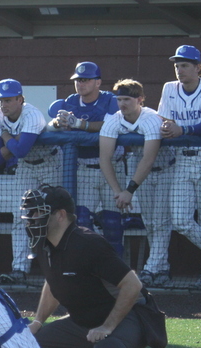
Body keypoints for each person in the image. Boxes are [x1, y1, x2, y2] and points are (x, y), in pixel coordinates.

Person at [23, 184, 157, 348]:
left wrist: (107, 327)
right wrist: (39, 320)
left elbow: (132, 285)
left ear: (60, 215)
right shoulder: (43, 242)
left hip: (131, 317)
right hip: (86, 320)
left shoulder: (88, 243)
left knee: (108, 347)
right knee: (34, 346)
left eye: (37, 212)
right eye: (29, 213)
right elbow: (53, 282)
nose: (31, 219)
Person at [99, 79, 175, 288]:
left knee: (160, 220)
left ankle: (152, 267)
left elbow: (149, 159)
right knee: (150, 221)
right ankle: (161, 268)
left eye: (127, 99)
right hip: (139, 172)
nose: (122, 104)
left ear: (140, 99)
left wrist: (129, 190)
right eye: (119, 99)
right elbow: (104, 158)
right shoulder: (114, 120)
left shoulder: (150, 119)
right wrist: (118, 191)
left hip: (166, 168)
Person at [0, 79, 61, 284]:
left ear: (20, 99)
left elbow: (20, 150)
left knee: (53, 217)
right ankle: (19, 269)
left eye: (8, 100)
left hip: (50, 163)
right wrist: (13, 137)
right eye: (1, 100)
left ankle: (58, 268)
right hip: (26, 167)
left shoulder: (32, 115)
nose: (4, 105)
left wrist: (6, 136)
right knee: (21, 216)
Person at [47, 61, 122, 251]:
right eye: (78, 80)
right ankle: (88, 271)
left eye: (86, 80)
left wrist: (80, 124)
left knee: (112, 225)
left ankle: (115, 275)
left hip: (111, 167)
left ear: (98, 82)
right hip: (83, 167)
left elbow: (111, 125)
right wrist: (58, 123)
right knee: (81, 223)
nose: (81, 84)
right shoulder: (71, 101)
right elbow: (50, 125)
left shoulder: (110, 99)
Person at [157, 45, 201, 290]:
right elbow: (164, 119)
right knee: (180, 220)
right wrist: (167, 127)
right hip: (182, 161)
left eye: (185, 64)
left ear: (198, 67)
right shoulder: (169, 88)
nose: (179, 69)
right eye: (177, 65)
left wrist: (183, 129)